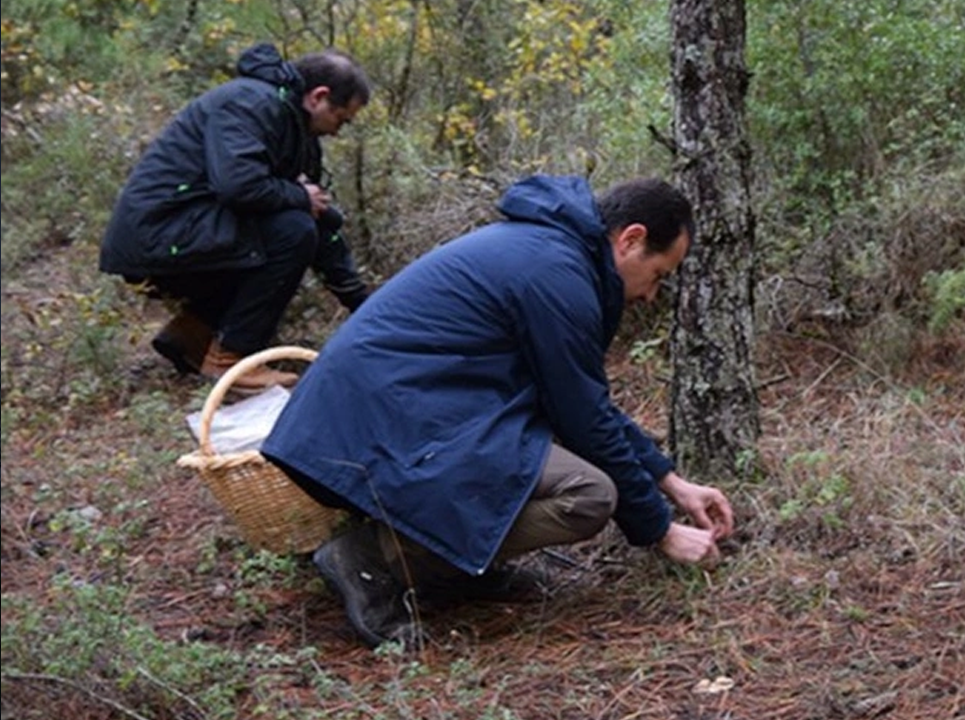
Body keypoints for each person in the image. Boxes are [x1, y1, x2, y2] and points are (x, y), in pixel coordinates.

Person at [261, 175, 735, 647]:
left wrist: (671, 482)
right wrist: (658, 529)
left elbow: (586, 404)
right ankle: (375, 556)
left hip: (387, 412)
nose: (651, 295)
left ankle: (453, 562)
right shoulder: (557, 274)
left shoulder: (554, 254)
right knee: (588, 495)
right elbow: (585, 421)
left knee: (536, 456)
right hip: (385, 417)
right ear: (631, 239)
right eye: (659, 276)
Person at [100, 43, 373, 393]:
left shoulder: (298, 132)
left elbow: (316, 220)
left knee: (294, 226)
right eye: (341, 118)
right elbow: (239, 186)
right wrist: (298, 197)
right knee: (291, 231)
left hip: (185, 233)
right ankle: (234, 360)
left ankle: (190, 336)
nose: (339, 130)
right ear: (319, 97)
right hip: (156, 237)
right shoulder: (250, 103)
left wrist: (360, 301)